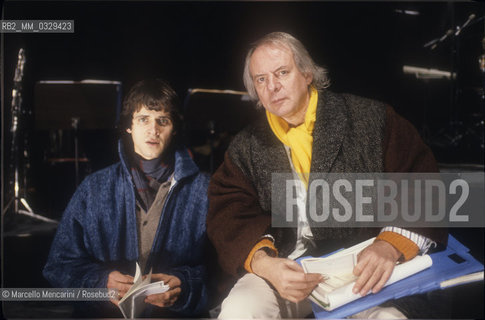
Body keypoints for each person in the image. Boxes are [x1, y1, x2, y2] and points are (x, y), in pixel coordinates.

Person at [207, 32, 448, 319]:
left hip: (362, 268)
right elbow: (228, 212)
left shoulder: (370, 120)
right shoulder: (247, 145)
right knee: (238, 310)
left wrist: (390, 244)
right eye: (261, 79)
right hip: (287, 269)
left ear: (307, 73)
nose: (272, 86)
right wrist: (264, 264)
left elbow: (423, 183)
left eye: (282, 72)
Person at [43, 79, 210, 317]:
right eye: (143, 119)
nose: (153, 130)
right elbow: (58, 266)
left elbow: (223, 271)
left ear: (174, 128)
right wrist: (100, 284)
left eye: (163, 120)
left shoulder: (204, 190)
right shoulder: (94, 188)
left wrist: (185, 285)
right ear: (129, 126)